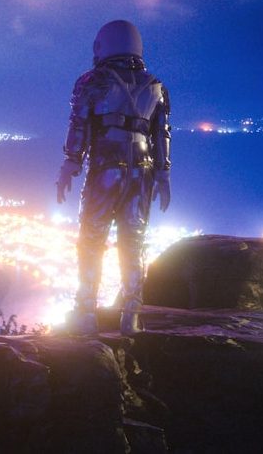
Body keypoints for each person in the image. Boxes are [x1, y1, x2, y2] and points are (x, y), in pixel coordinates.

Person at [56, 20, 171, 336]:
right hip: (142, 175)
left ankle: (86, 312)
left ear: (102, 45)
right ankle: (131, 315)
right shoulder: (156, 87)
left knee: (92, 239)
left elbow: (78, 127)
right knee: (133, 243)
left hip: (105, 172)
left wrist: (70, 163)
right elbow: (161, 134)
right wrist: (163, 175)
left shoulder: (92, 82)